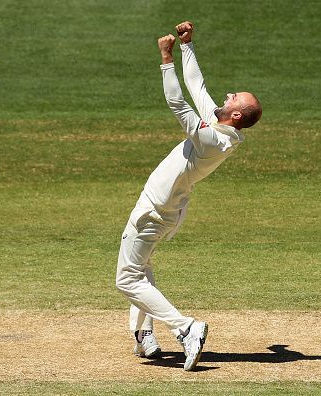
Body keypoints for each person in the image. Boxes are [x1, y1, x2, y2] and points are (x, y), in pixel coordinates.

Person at [115, 21, 262, 371]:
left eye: (234, 98)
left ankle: (185, 328)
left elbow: (179, 106)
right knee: (143, 268)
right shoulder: (220, 125)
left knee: (127, 278)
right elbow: (196, 85)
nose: (228, 95)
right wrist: (186, 46)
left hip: (156, 210)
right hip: (166, 207)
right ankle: (143, 335)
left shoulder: (215, 139)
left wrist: (165, 60)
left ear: (236, 114)